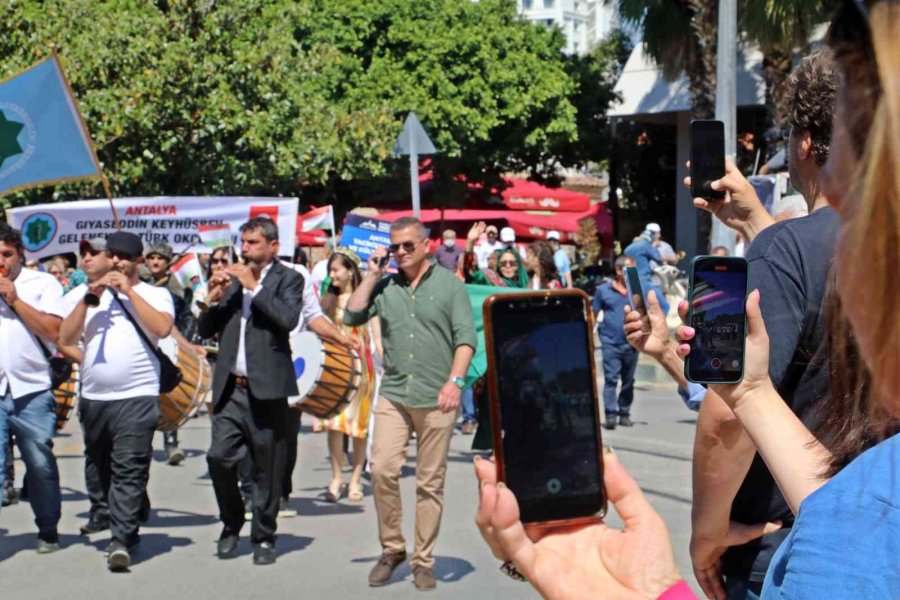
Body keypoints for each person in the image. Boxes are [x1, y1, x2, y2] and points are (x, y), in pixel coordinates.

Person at [685, 48, 841, 599]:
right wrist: (759, 223)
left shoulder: (785, 251)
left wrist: (707, 533)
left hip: (788, 550)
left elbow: (729, 411)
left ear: (805, 142)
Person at [345, 217, 476, 591]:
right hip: (396, 393)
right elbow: (351, 314)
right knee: (382, 470)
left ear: (426, 245)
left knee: (429, 482)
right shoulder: (385, 286)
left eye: (408, 245)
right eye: (395, 246)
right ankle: (393, 549)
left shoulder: (450, 285)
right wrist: (371, 274)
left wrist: (455, 381)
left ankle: (423, 560)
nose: (401, 252)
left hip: (438, 396)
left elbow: (465, 338)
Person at [59, 231, 174, 571]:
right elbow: (65, 339)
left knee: (128, 467)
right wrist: (88, 299)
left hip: (137, 395)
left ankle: (120, 540)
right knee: (102, 469)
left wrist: (128, 293)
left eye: (125, 257)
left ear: (138, 261)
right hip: (94, 398)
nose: (118, 261)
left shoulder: (154, 294)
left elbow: (162, 328)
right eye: (113, 255)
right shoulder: (85, 293)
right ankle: (129, 524)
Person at [198, 217, 303, 566]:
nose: (245, 249)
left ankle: (264, 535)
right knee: (219, 458)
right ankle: (231, 522)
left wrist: (254, 287)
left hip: (267, 388)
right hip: (231, 387)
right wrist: (211, 298)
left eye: (253, 242)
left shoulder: (289, 278)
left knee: (266, 467)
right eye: (243, 242)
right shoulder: (233, 279)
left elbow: (287, 319)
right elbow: (205, 329)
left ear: (273, 246)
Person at [0, 222, 65, 554]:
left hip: (32, 390)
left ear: (20, 254)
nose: (1, 261)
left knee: (39, 464)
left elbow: (54, 332)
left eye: (6, 254)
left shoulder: (43, 283)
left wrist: (14, 299)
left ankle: (48, 526)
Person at [315, 248, 377, 502]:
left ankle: (356, 478)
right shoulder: (327, 300)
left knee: (358, 426)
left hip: (362, 367)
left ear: (350, 271)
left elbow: (375, 332)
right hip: (335, 367)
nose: (332, 275)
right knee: (335, 424)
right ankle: (336, 477)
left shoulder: (365, 299)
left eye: (336, 270)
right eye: (330, 270)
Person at [142, 241, 193, 465]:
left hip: (169, 345)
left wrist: (183, 344)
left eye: (160, 258)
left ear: (168, 262)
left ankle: (171, 443)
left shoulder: (176, 287)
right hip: (143, 345)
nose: (155, 262)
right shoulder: (138, 284)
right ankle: (141, 444)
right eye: (151, 257)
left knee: (168, 394)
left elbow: (187, 317)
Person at [593, 255, 639, 430]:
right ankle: (610, 414)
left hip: (632, 343)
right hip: (610, 343)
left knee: (628, 381)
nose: (633, 273)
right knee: (611, 379)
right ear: (618, 270)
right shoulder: (603, 291)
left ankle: (624, 413)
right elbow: (593, 314)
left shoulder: (636, 291)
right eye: (629, 269)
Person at [623, 226, 670, 317]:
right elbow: (658, 257)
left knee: (639, 309)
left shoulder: (629, 248)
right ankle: (658, 324)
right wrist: (654, 245)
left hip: (631, 280)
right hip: (644, 280)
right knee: (665, 307)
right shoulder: (646, 245)